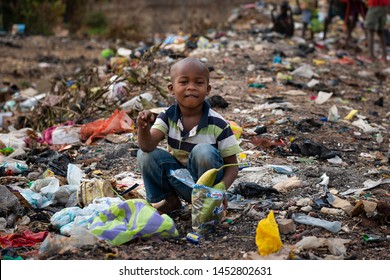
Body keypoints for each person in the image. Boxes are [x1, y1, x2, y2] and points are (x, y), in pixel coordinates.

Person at [136, 57, 241, 214]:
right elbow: (147, 146)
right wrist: (143, 128)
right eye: (184, 82)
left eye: (198, 83)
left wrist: (220, 189)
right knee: (145, 155)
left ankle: (207, 205)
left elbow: (232, 166)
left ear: (208, 89)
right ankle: (170, 201)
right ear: (171, 88)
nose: (191, 87)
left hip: (208, 191)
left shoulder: (218, 123)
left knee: (203, 151)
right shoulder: (166, 116)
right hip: (179, 181)